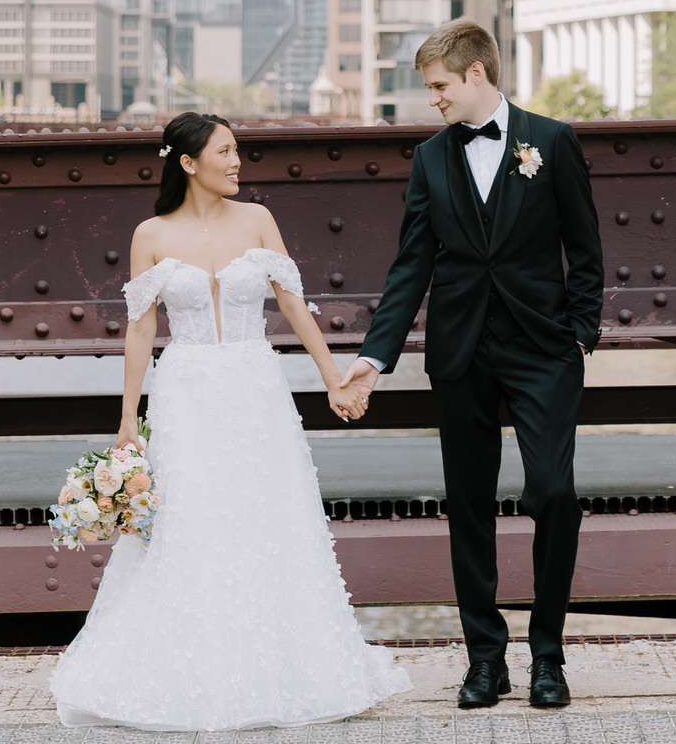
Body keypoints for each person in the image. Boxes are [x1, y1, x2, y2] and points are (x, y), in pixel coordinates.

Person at [49, 111, 412, 730]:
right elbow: (141, 328)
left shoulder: (259, 220)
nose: (237, 161)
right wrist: (128, 418)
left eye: (238, 150)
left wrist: (333, 378)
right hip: (186, 389)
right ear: (188, 163)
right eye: (226, 151)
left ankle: (287, 666)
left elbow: (294, 305)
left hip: (255, 386)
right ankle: (189, 668)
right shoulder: (151, 234)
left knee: (270, 515)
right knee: (190, 522)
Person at [341, 20, 604, 709]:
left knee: (553, 492)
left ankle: (548, 655)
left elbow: (586, 246)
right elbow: (412, 266)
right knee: (468, 508)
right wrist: (375, 357)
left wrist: (581, 333)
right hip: (459, 352)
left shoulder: (550, 141)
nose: (434, 100)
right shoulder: (430, 158)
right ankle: (485, 660)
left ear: (477, 75)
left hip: (543, 349)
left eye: (439, 87)